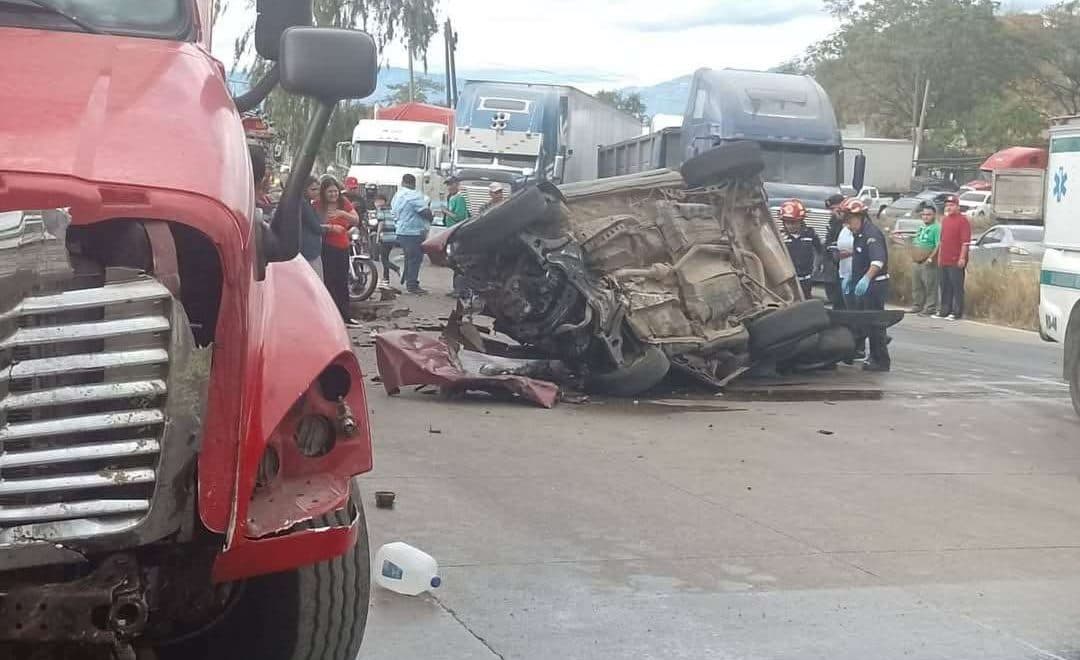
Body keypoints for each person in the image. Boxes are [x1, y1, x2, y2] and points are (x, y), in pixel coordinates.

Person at [840, 197, 891, 372]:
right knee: (864, 323)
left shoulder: (871, 235)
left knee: (875, 324)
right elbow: (859, 258)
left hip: (875, 285)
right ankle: (865, 353)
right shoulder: (859, 234)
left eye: (849, 220)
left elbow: (877, 262)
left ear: (859, 217)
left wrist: (866, 279)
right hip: (863, 284)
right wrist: (851, 278)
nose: (848, 224)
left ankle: (881, 360)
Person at [316, 177, 362, 326]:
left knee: (342, 282)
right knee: (329, 281)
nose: (333, 194)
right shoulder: (317, 205)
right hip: (326, 247)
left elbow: (356, 220)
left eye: (335, 191)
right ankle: (330, 316)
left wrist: (342, 214)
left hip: (343, 247)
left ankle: (345, 316)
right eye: (330, 192)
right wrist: (329, 226)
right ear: (323, 192)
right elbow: (313, 225)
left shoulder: (344, 202)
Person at [391, 173, 433, 295]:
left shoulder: (397, 195)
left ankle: (407, 280)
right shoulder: (413, 195)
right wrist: (431, 217)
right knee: (415, 258)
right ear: (413, 183)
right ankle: (412, 285)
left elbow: (393, 212)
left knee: (409, 257)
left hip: (401, 230)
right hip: (413, 231)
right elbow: (425, 212)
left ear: (403, 182)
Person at [934, 194, 971, 321]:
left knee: (956, 286)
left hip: (956, 259)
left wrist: (962, 258)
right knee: (944, 285)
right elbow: (942, 241)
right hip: (944, 258)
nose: (949, 207)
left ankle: (957, 311)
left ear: (957, 206)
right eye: (947, 205)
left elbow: (965, 242)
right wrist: (939, 256)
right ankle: (944, 309)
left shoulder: (963, 221)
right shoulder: (945, 220)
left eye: (951, 205)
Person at [778, 198, 821, 299]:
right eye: (787, 222)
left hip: (806, 278)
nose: (790, 226)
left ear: (801, 221)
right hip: (790, 279)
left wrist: (816, 266)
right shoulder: (781, 237)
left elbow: (819, 250)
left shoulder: (810, 234)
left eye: (793, 222)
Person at [909, 203, 941, 316]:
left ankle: (930, 307)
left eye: (929, 214)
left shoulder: (937, 228)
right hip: (916, 261)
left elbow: (938, 244)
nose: (926, 217)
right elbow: (916, 241)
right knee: (917, 285)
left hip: (928, 261)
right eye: (924, 214)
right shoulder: (922, 227)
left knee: (930, 285)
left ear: (934, 215)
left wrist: (931, 258)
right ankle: (917, 305)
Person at [822, 193, 848, 309]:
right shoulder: (833, 222)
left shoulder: (847, 223)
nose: (831, 213)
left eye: (833, 209)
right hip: (835, 268)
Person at [300, 176, 325, 279]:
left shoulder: (307, 204)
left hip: (310, 250)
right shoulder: (303, 205)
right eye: (313, 189)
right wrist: (331, 228)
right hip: (309, 252)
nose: (317, 192)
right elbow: (316, 227)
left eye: (318, 189)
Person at [373, 194, 400, 286]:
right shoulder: (390, 210)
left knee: (383, 259)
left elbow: (381, 223)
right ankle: (386, 279)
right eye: (376, 201)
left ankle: (396, 268)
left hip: (385, 237)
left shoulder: (380, 210)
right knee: (386, 258)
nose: (377, 203)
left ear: (383, 202)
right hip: (392, 236)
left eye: (378, 201)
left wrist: (377, 236)